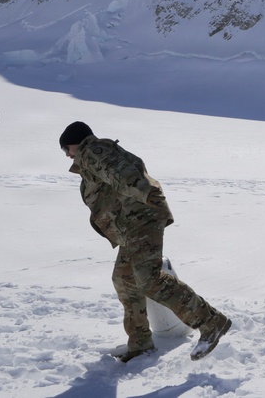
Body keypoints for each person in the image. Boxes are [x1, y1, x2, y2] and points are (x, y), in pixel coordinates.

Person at [59, 121, 231, 362]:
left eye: (66, 149)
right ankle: (140, 344)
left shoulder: (94, 152)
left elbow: (121, 172)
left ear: (76, 142)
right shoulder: (92, 157)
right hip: (131, 225)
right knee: (124, 280)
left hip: (141, 218)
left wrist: (145, 191)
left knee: (149, 279)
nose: (67, 155)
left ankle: (211, 322)